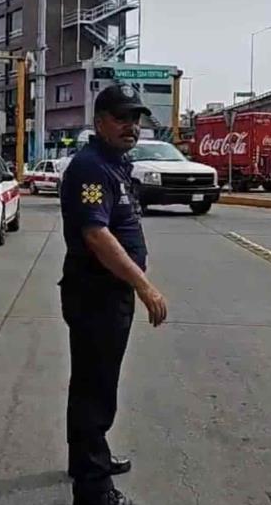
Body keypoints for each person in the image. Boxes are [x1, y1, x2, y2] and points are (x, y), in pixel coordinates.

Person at [60, 84, 168, 505]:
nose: (132, 127)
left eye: (136, 119)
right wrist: (145, 286)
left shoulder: (112, 163)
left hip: (104, 292)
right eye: (122, 118)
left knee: (90, 381)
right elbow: (96, 233)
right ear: (100, 120)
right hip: (97, 293)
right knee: (96, 387)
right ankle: (94, 486)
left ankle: (87, 459)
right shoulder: (91, 167)